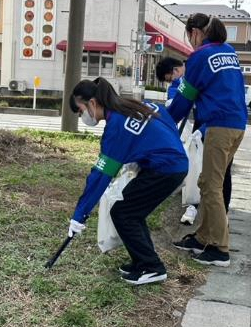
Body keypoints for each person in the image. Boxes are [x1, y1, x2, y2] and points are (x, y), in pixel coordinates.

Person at [67, 77, 188, 285]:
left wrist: (79, 215)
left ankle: (152, 267)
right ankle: (143, 262)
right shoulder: (134, 105)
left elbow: (101, 176)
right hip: (171, 163)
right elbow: (167, 119)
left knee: (124, 213)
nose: (82, 117)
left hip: (165, 169)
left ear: (92, 103)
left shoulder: (116, 127)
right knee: (131, 210)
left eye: (80, 111)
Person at [167, 14, 247, 267]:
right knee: (208, 182)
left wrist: (165, 120)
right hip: (236, 125)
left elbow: (184, 98)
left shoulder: (200, 56)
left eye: (188, 35)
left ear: (195, 32)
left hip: (218, 126)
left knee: (211, 186)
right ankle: (203, 237)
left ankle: (220, 249)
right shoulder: (229, 51)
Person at [156, 57, 233, 225]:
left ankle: (222, 213)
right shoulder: (182, 81)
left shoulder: (201, 71)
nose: (172, 82)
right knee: (198, 166)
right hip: (201, 119)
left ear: (176, 70)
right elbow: (176, 101)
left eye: (171, 78)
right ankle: (194, 205)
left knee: (222, 171)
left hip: (220, 123)